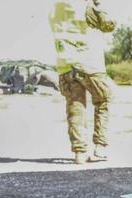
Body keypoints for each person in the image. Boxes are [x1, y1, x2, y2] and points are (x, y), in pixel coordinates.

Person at [49, 0, 115, 165]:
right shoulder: (86, 5)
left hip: (65, 64)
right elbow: (109, 25)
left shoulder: (56, 7)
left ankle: (80, 153)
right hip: (89, 63)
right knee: (103, 100)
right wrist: (98, 5)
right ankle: (100, 148)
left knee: (75, 108)